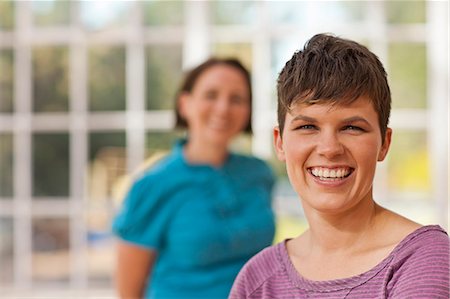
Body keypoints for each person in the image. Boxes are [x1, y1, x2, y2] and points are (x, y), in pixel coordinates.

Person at [229, 33, 450, 298]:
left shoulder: (423, 259)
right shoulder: (258, 280)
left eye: (352, 127)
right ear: (280, 143)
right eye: (308, 126)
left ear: (384, 144)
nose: (330, 149)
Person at [112, 57, 276, 299]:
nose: (223, 108)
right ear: (184, 104)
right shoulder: (153, 186)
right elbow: (129, 293)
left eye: (237, 99)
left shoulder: (259, 174)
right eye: (211, 95)